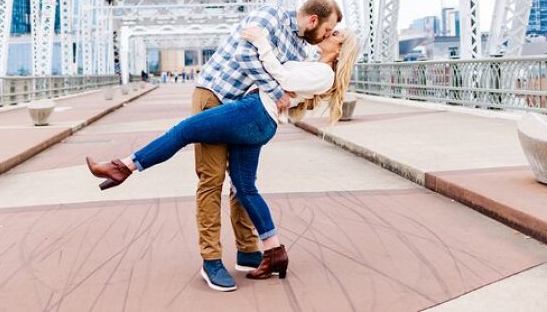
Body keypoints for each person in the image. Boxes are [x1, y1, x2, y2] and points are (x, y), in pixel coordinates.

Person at [86, 25, 361, 288]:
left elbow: (284, 78)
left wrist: (261, 42)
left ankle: (124, 166)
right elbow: (284, 80)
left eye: (336, 35)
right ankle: (273, 250)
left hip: (255, 111)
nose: (329, 34)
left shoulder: (325, 73)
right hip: (261, 118)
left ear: (341, 49)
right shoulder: (316, 65)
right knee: (245, 188)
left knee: (184, 130)